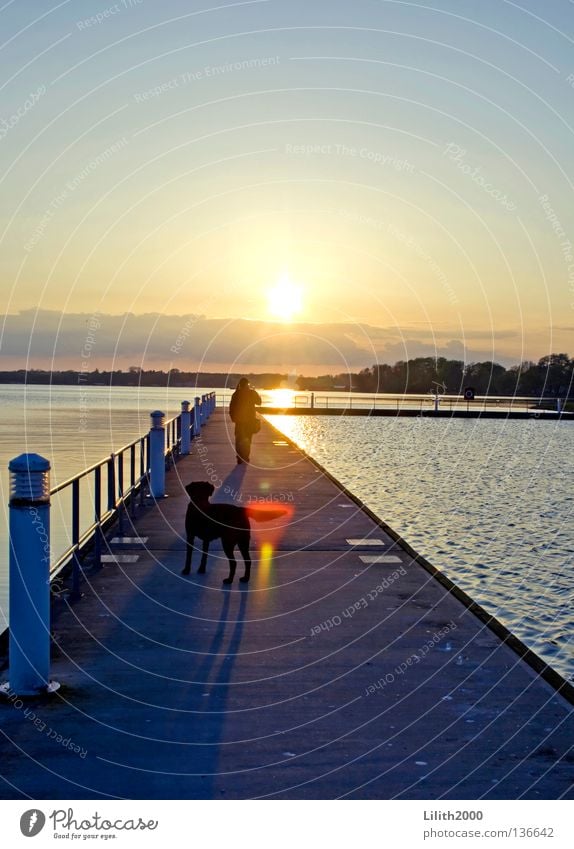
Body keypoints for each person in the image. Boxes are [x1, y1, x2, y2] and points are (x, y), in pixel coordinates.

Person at [229, 378, 262, 464]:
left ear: (240, 384)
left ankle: (239, 457)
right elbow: (259, 402)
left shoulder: (236, 394)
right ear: (248, 384)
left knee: (238, 439)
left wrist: (233, 418)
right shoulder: (252, 393)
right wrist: (256, 393)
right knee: (247, 439)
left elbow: (231, 407)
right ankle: (245, 457)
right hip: (250, 420)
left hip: (239, 421)